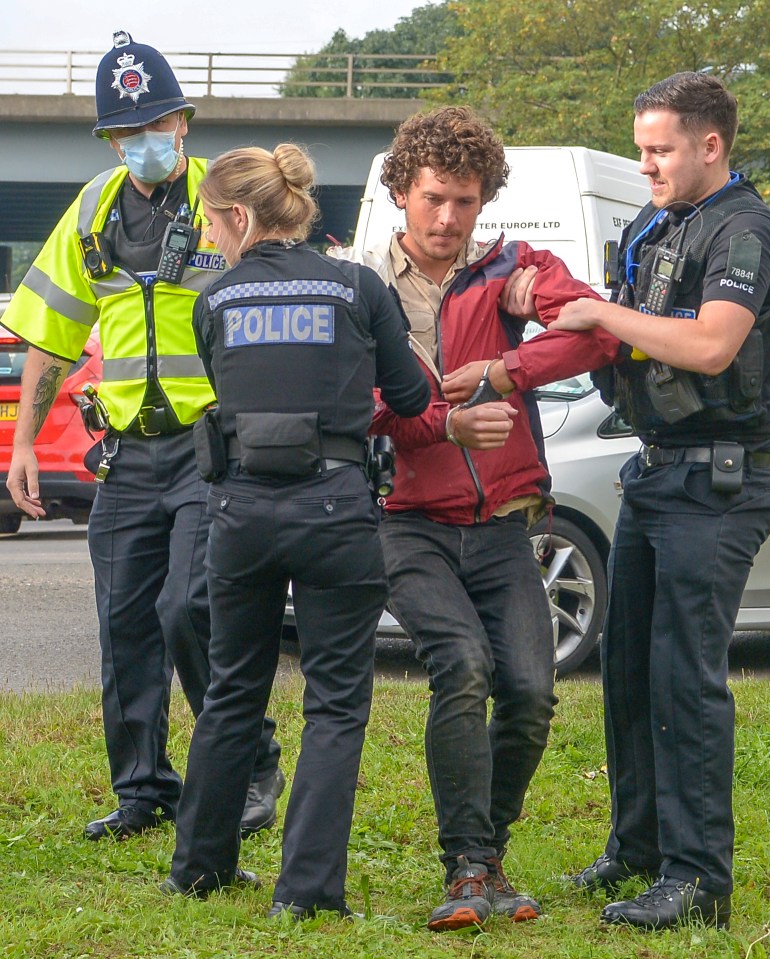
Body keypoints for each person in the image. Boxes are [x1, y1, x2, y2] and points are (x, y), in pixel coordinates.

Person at [331, 106, 622, 931]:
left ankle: (484, 857)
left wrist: (505, 369)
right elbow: (359, 407)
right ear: (399, 192)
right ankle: (466, 865)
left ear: (485, 199)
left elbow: (594, 331)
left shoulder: (512, 268)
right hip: (404, 520)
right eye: (433, 199)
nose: (449, 219)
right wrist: (445, 422)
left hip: (504, 520)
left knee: (530, 690)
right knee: (461, 666)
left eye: (465, 200)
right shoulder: (360, 286)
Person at [3, 31, 284, 842]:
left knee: (189, 607)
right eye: (127, 132)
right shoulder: (91, 208)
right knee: (125, 623)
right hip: (126, 454)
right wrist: (23, 444)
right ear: (111, 138)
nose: (143, 142)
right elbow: (51, 335)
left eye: (156, 124)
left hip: (211, 448)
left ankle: (252, 760)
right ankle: (143, 788)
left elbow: (290, 286)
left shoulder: (228, 200)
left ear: (184, 122)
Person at [552, 72, 770, 930]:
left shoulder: (746, 230)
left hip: (719, 479)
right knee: (627, 670)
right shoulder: (654, 226)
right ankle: (640, 848)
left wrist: (599, 314)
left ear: (710, 145)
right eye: (641, 147)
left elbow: (710, 343)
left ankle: (699, 879)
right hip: (656, 470)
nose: (646, 164)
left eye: (659, 149)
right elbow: (619, 336)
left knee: (684, 680)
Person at [161, 144, 430, 912]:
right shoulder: (358, 286)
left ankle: (198, 868)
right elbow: (410, 398)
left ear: (241, 216)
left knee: (233, 692)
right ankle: (306, 892)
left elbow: (225, 387)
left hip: (239, 513)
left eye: (212, 221)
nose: (210, 237)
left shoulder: (212, 302)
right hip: (335, 513)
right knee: (336, 703)